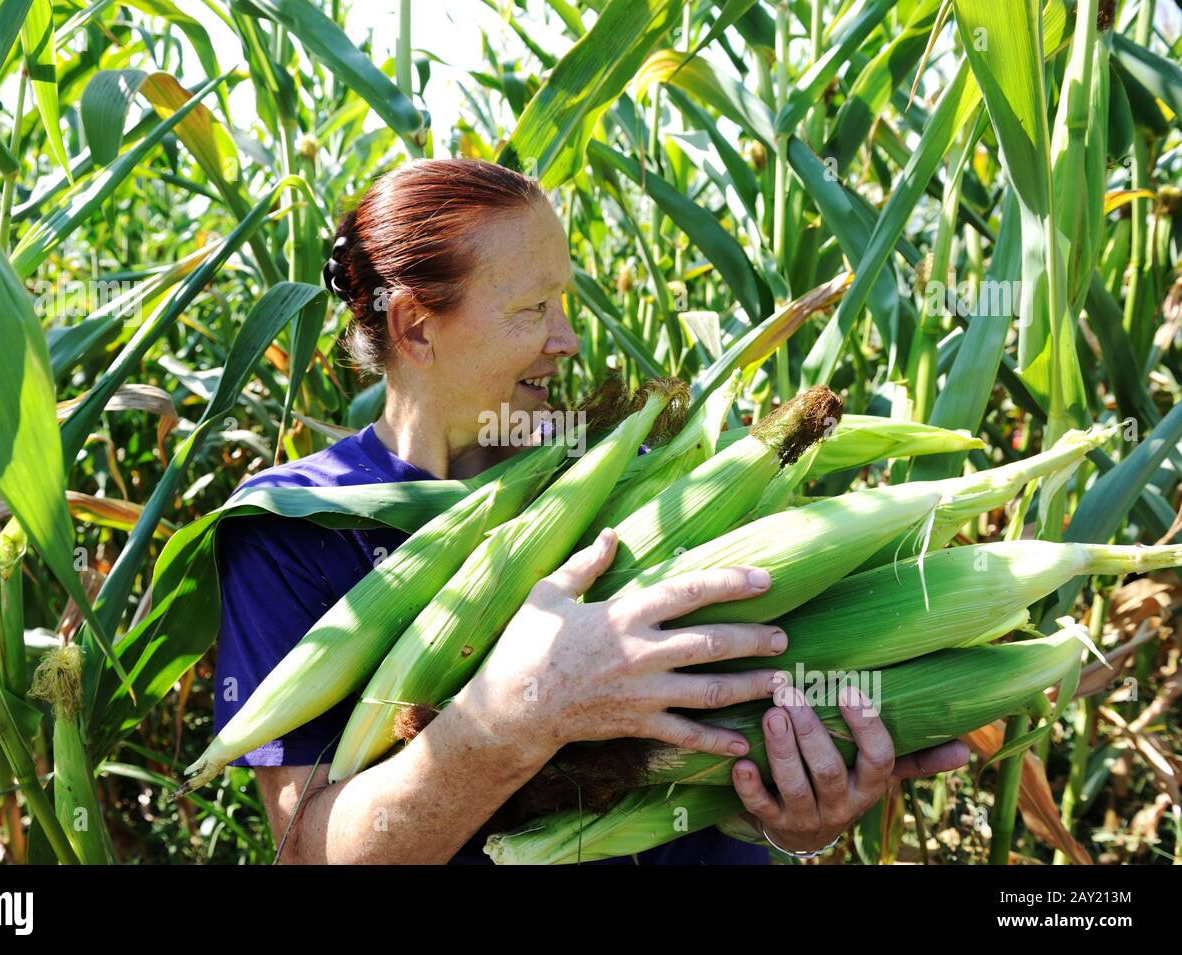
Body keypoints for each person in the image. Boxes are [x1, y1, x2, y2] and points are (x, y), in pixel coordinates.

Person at [212, 157, 969, 864]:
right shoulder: (294, 527)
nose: (567, 339)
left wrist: (795, 813)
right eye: (533, 308)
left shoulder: (654, 483)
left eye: (563, 302)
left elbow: (729, 749)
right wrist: (523, 713)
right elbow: (308, 847)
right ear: (414, 325)